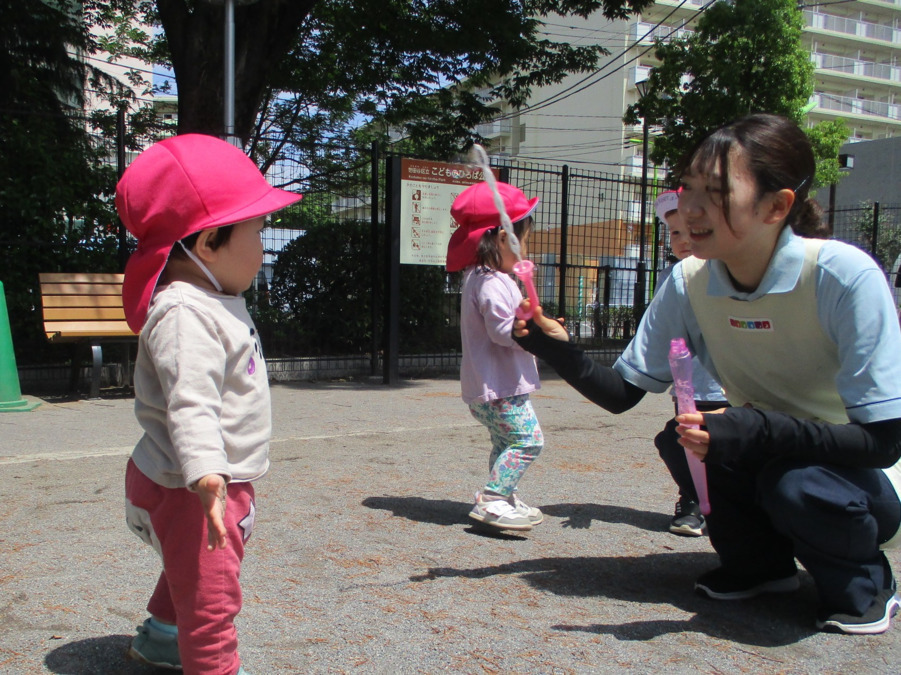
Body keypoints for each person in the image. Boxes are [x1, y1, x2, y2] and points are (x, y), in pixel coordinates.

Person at [513, 113, 901, 635]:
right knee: (686, 443)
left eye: (715, 192)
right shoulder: (689, 280)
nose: (690, 208)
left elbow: (883, 443)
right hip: (777, 456)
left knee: (797, 482)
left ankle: (867, 583)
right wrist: (555, 349)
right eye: (688, 187)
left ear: (775, 206)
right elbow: (623, 393)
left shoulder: (843, 276)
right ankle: (760, 566)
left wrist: (755, 428)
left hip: (870, 483)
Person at [117, 134, 302, 673]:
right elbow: (190, 401)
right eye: (258, 232)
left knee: (192, 572)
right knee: (213, 605)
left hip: (194, 479)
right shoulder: (185, 313)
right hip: (189, 487)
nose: (264, 247)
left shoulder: (212, 298)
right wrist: (206, 474)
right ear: (207, 243)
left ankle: (161, 637)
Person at [447, 180, 545, 532]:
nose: (526, 249)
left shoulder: (482, 277)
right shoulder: (491, 281)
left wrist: (525, 315)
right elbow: (503, 332)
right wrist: (531, 329)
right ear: (504, 238)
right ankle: (493, 498)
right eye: (525, 239)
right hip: (501, 388)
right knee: (528, 441)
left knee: (505, 442)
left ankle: (504, 496)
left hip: (490, 387)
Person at [653, 190, 728, 537]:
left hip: (725, 383)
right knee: (679, 440)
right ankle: (692, 498)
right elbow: (660, 328)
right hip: (687, 380)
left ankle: (728, 504)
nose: (683, 240)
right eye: (675, 233)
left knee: (721, 443)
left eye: (690, 230)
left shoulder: (725, 272)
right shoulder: (671, 276)